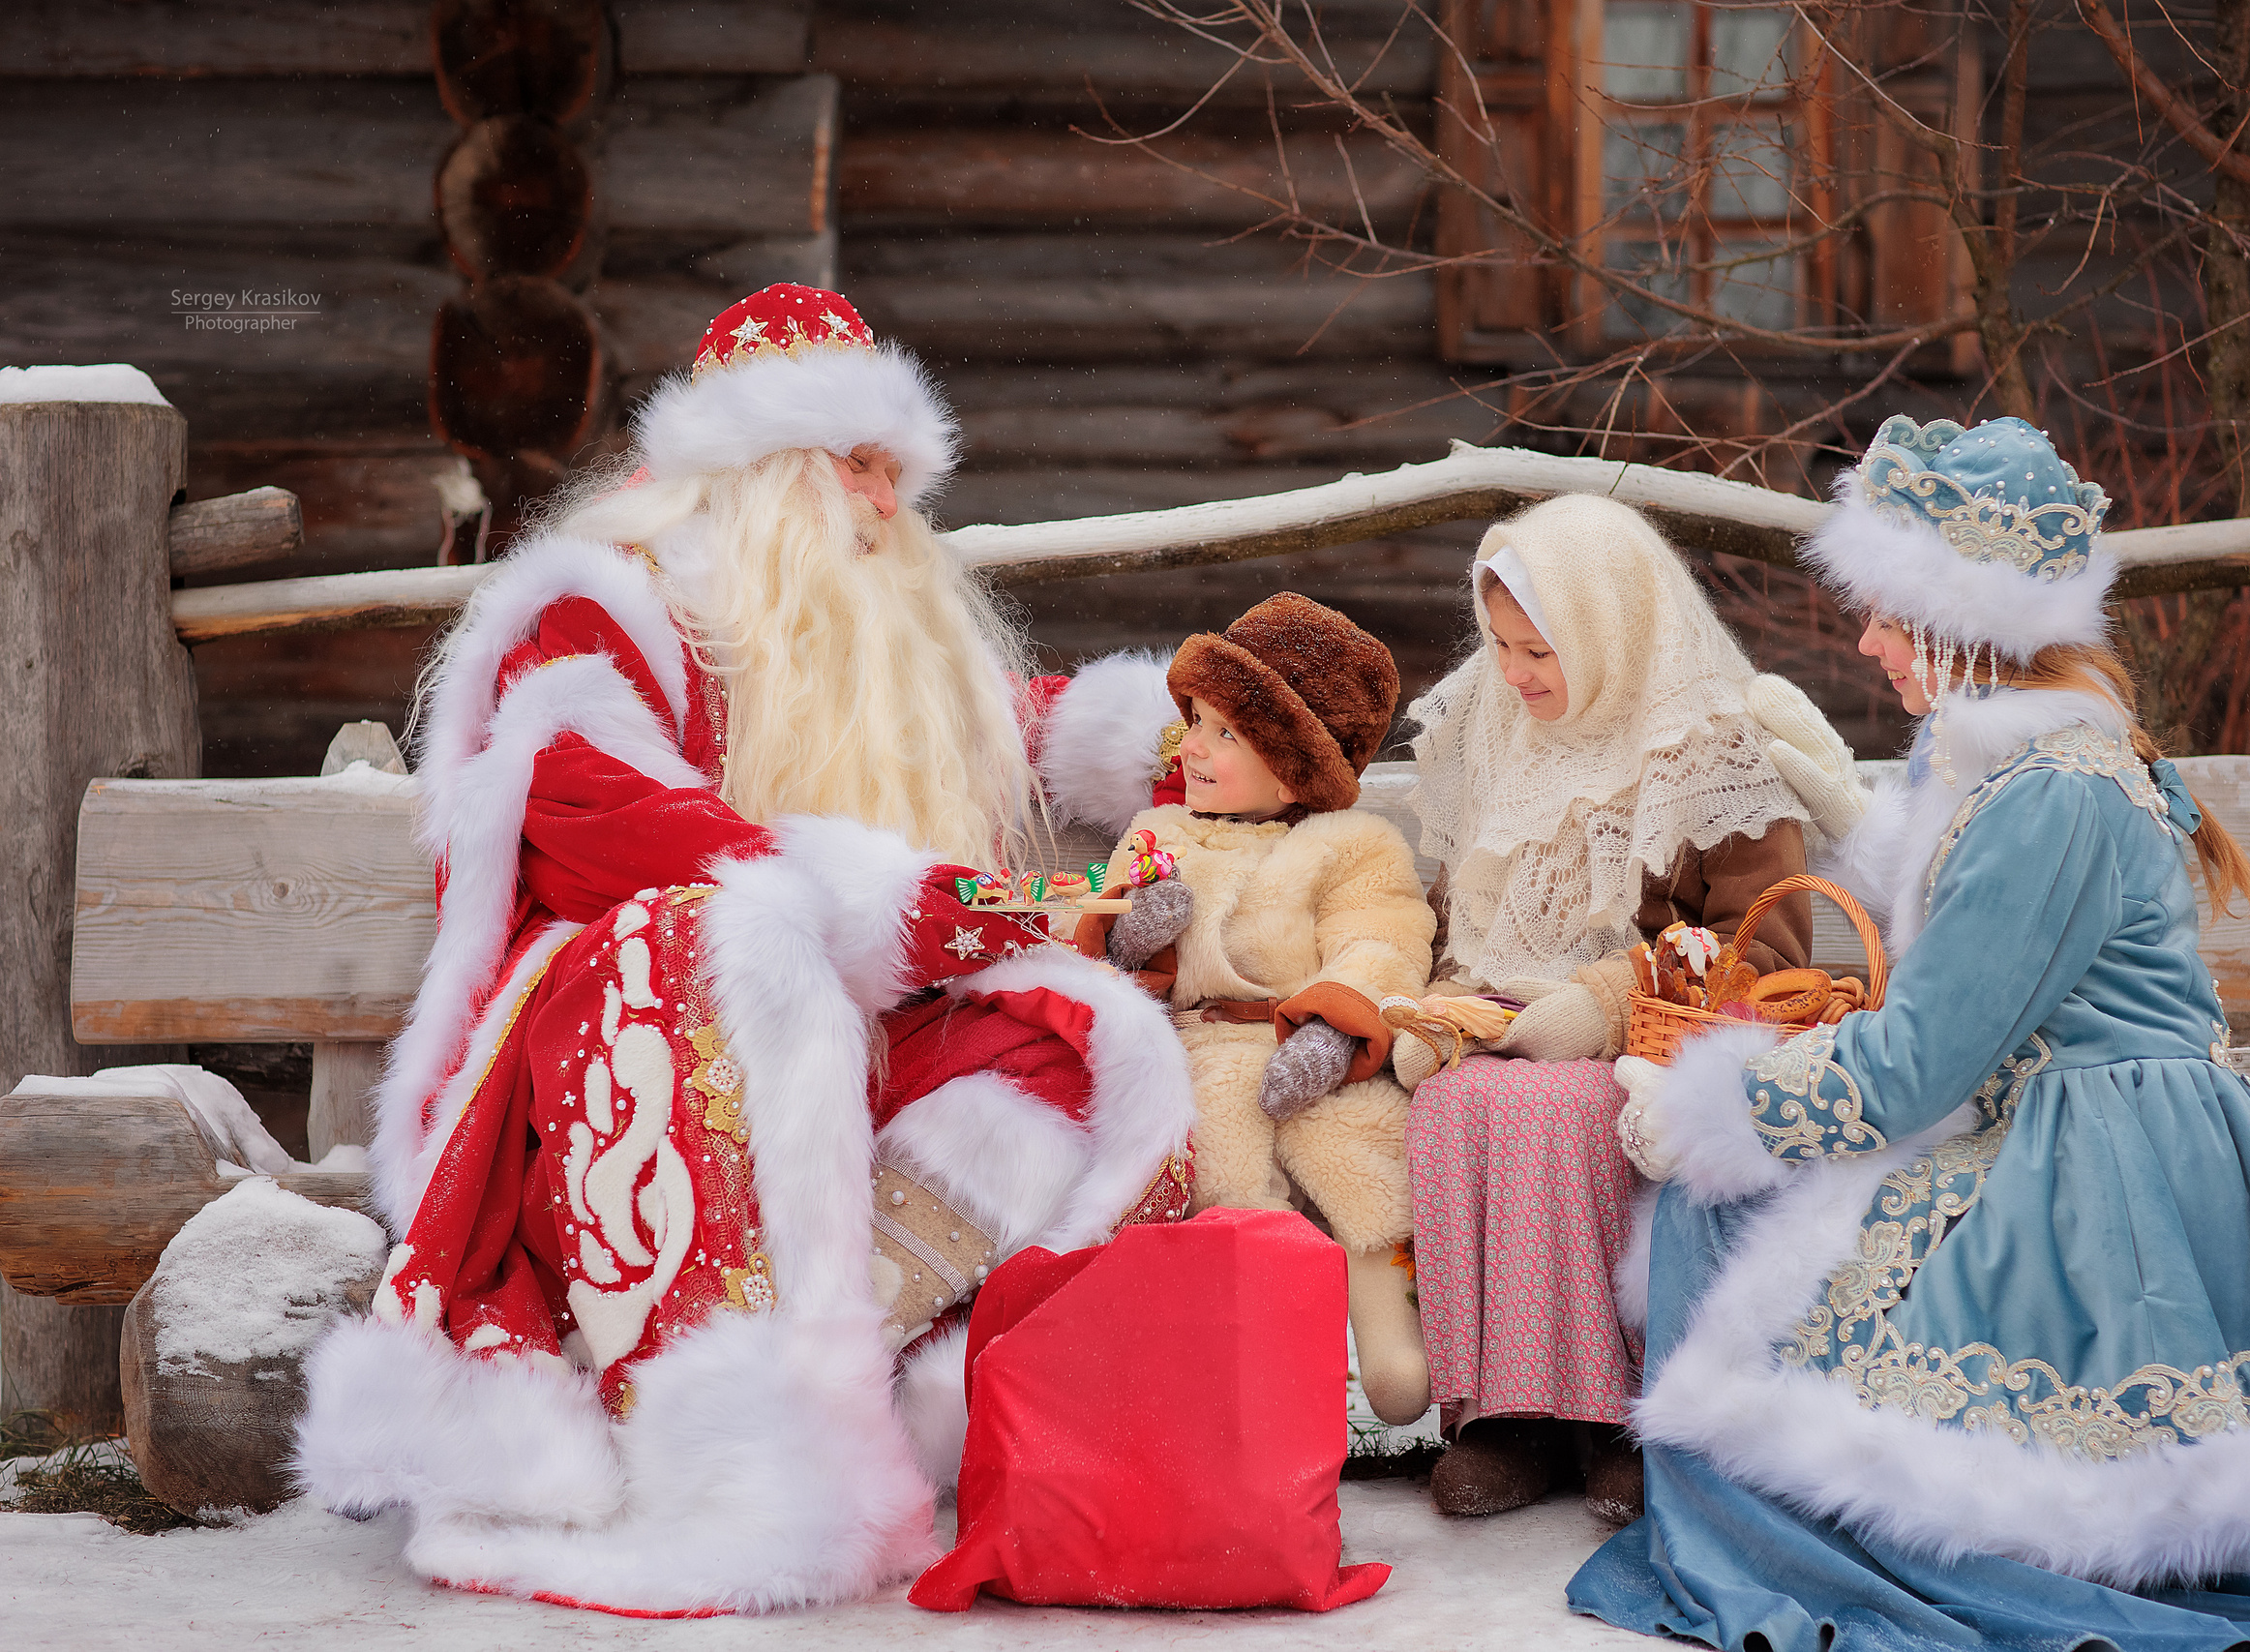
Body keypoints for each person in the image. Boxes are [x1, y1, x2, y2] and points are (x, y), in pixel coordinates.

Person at [294, 285, 1196, 1616]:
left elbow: (1017, 725)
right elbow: (608, 822)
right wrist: (904, 901)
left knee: (1079, 1040)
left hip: (852, 1051)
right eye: (860, 467)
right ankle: (701, 1431)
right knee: (712, 934)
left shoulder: (870, 636)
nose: (888, 507)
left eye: (898, 475)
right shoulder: (602, 609)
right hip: (619, 1057)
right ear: (764, 466)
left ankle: (839, 1375)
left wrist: (1186, 741)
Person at [1574, 414, 2250, 1648]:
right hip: (2082, 1121)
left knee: (1710, 1204)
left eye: (1888, 615)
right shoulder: (2029, 762)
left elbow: (1920, 1063)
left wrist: (1716, 1104)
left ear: (1966, 622)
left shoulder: (2045, 794)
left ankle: (1777, 1497)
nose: (1867, 642)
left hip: (2091, 1169)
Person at [1399, 494, 1855, 1521]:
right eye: (1499, 644)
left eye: (1539, 651)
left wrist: (1606, 1002)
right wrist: (1442, 1007)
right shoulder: (1497, 731)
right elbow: (1463, 907)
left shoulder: (1709, 749)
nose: (1513, 674)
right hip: (1514, 1023)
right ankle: (1505, 1416)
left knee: (1561, 1109)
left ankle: (1619, 1417)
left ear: (1607, 631)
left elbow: (1766, 945)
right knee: (1455, 1104)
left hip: (1653, 1042)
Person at [1077, 593, 1436, 1425]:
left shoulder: (1354, 845)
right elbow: (1087, 930)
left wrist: (1331, 1034)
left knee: (1368, 1149)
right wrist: (1131, 933)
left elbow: (1381, 939)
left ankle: (1392, 1342)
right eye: (1195, 721)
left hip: (1318, 1048)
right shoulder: (1161, 830)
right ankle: (1272, 1350)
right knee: (1223, 1162)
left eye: (1225, 733)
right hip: (1200, 1048)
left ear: (1291, 767)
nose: (1192, 747)